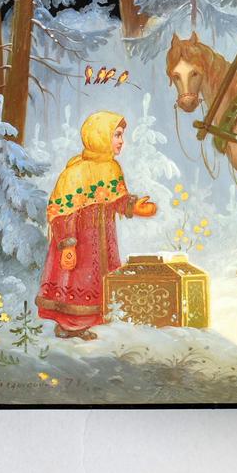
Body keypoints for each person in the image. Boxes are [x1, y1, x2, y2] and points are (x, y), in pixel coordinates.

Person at [36, 111, 157, 340]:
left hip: (103, 239)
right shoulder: (75, 172)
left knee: (101, 278)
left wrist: (134, 207)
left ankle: (93, 320)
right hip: (79, 241)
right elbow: (62, 213)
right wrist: (68, 245)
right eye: (116, 135)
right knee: (77, 278)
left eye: (121, 135)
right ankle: (70, 325)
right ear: (100, 136)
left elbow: (116, 199)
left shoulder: (112, 168)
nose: (121, 141)